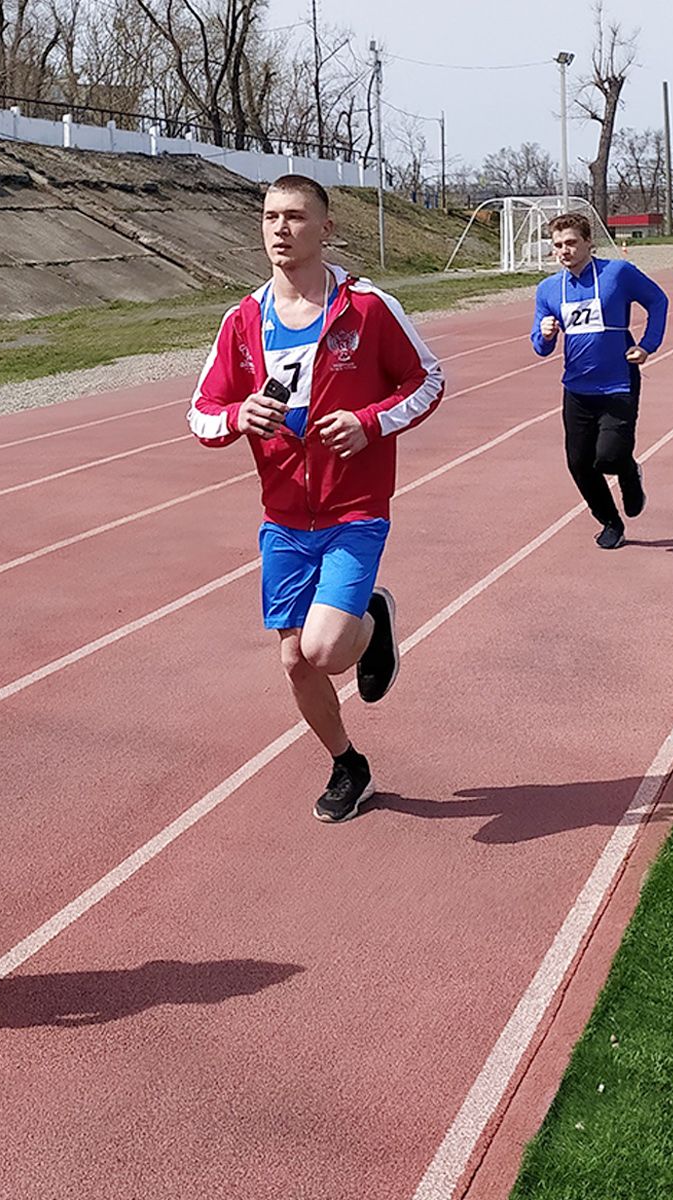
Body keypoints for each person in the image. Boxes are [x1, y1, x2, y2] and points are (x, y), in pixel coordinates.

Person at [188, 174, 444, 823]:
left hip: (354, 510)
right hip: (282, 519)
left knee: (326, 650)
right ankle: (347, 763)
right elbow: (201, 412)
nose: (280, 228)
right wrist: (238, 416)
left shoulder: (366, 309)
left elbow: (428, 378)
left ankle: (369, 619)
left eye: (296, 216)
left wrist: (371, 422)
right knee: (294, 661)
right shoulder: (244, 320)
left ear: (325, 228)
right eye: (271, 216)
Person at [531, 212, 670, 549]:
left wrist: (647, 345)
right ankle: (610, 521)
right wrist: (546, 334)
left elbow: (658, 300)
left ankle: (628, 473)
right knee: (579, 463)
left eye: (571, 243)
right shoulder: (549, 289)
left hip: (617, 384)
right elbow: (539, 346)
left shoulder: (617, 273)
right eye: (558, 245)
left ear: (589, 242)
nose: (564, 250)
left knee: (608, 457)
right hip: (577, 389)